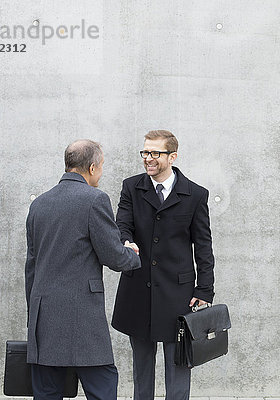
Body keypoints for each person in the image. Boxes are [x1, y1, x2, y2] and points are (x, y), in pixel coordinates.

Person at [25, 139, 141, 400]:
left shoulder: (39, 204)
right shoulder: (94, 200)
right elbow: (114, 257)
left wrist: (34, 315)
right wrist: (132, 254)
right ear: (91, 167)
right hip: (82, 315)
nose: (101, 171)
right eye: (101, 166)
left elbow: (31, 267)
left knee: (47, 391)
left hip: (43, 315)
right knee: (102, 384)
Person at [112, 130, 215, 400]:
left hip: (177, 295)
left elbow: (203, 247)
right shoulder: (131, 187)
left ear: (173, 157)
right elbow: (123, 223)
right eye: (145, 152)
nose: (148, 158)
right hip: (139, 291)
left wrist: (204, 290)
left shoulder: (195, 194)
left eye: (155, 153)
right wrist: (125, 240)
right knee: (142, 370)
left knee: (179, 367)